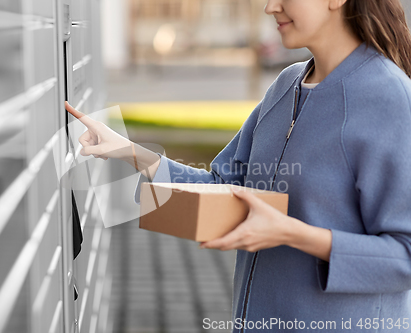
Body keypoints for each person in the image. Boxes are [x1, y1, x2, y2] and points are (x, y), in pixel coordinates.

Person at [65, 0, 411, 331]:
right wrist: (130, 151)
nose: (270, 7)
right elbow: (223, 186)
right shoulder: (285, 85)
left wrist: (293, 233)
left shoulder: (390, 98)